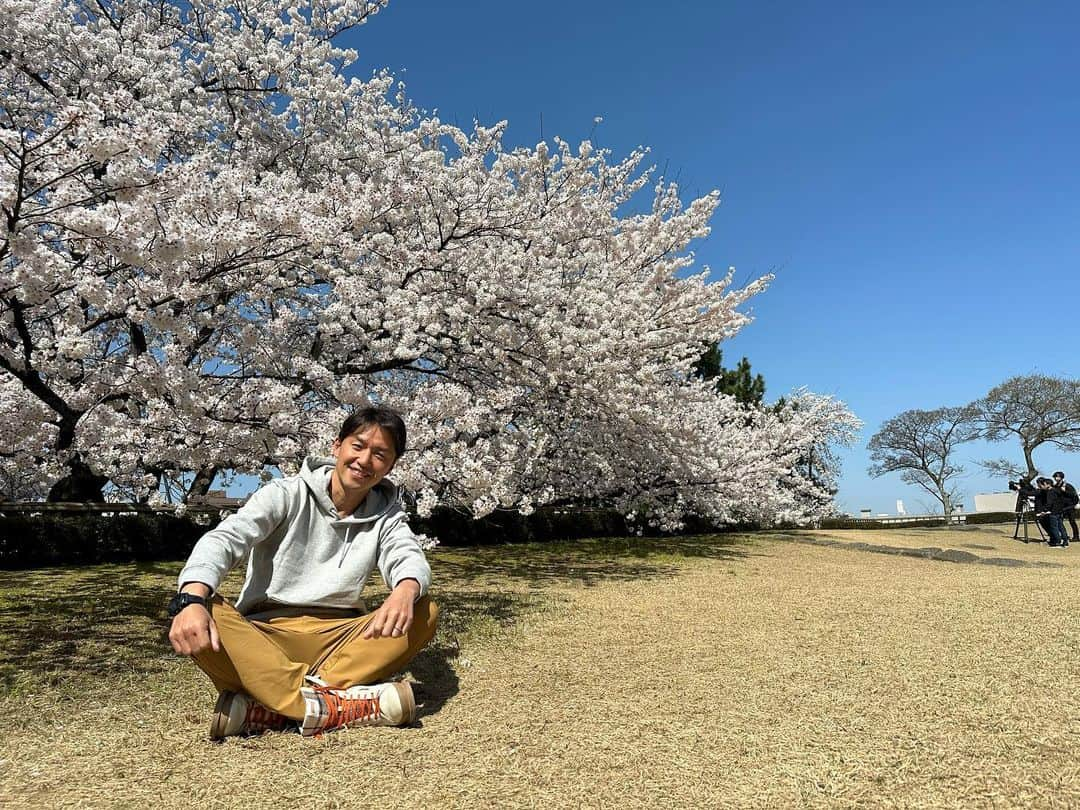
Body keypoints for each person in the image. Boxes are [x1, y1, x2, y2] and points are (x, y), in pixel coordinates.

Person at [168, 406, 438, 739]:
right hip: (265, 635)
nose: (365, 460)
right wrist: (191, 598)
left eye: (380, 454)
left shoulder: (387, 515)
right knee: (199, 605)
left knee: (423, 610)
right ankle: (342, 705)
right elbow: (227, 538)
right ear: (336, 446)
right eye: (358, 446)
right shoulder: (285, 494)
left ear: (391, 466)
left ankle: (270, 706)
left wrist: (405, 589)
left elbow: (407, 555)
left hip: (339, 640)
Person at [1034, 477, 1069, 548]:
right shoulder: (1057, 490)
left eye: (1044, 484)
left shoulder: (1050, 492)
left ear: (1048, 484)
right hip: (1059, 512)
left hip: (1053, 512)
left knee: (1054, 527)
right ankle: (1065, 541)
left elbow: (1049, 503)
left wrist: (1044, 511)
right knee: (1061, 527)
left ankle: (1057, 542)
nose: (1043, 486)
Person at [1052, 471, 1079, 543]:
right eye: (1055, 476)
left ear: (1061, 477)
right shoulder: (1055, 486)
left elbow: (1074, 495)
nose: (1056, 478)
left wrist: (1065, 491)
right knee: (1059, 521)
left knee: (1072, 521)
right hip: (1061, 506)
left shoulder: (1067, 485)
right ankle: (1063, 535)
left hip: (1070, 506)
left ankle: (1076, 536)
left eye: (1057, 476)